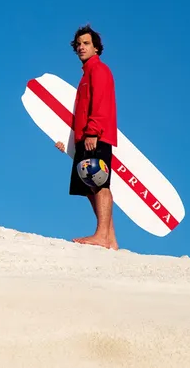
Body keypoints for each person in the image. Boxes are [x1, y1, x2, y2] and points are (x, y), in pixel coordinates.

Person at [55, 24, 119, 250]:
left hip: (95, 136)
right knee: (88, 186)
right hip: (84, 138)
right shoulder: (85, 75)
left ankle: (102, 235)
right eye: (79, 44)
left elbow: (100, 103)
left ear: (96, 49)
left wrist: (93, 131)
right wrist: (68, 141)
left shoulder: (98, 70)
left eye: (86, 44)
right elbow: (78, 113)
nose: (81, 47)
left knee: (99, 182)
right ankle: (109, 238)